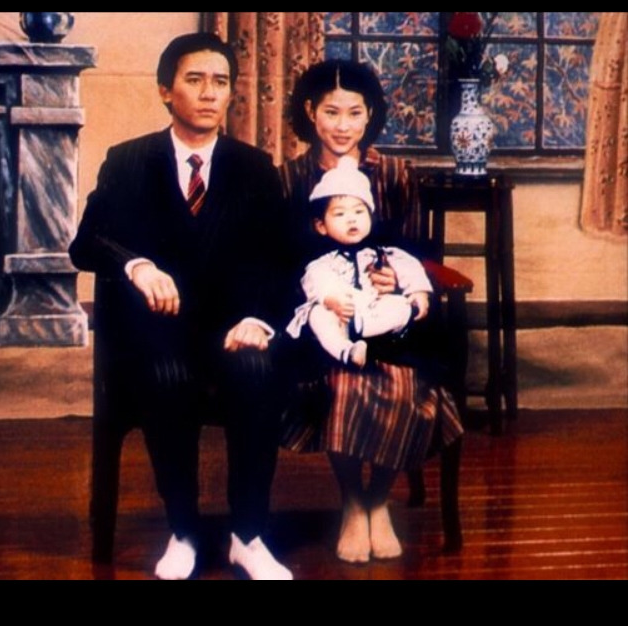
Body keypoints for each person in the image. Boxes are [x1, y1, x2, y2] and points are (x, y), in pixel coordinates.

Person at [69, 32, 292, 580]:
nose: (210, 93)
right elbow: (85, 244)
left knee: (256, 368)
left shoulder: (254, 168)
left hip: (231, 329)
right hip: (156, 335)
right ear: (166, 91)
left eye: (221, 82)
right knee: (166, 377)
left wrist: (256, 319)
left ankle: (248, 536)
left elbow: (281, 259)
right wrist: (136, 265)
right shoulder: (128, 161)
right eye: (195, 80)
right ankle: (184, 531)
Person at [279, 60, 464, 564]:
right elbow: (282, 260)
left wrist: (397, 282)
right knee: (343, 385)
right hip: (326, 321)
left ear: (370, 115)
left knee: (401, 384)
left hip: (391, 320)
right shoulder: (291, 177)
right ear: (310, 112)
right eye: (331, 112)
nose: (343, 125)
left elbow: (416, 250)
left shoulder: (394, 173)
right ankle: (352, 502)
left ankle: (378, 498)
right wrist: (324, 295)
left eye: (354, 113)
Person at [286, 156, 433, 368]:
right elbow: (317, 281)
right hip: (341, 315)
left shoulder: (381, 252)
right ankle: (346, 351)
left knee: (402, 305)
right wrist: (332, 299)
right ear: (321, 226)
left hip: (374, 313)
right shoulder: (321, 261)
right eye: (340, 214)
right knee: (317, 315)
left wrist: (418, 291)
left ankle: (367, 329)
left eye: (359, 211)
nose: (352, 219)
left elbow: (409, 266)